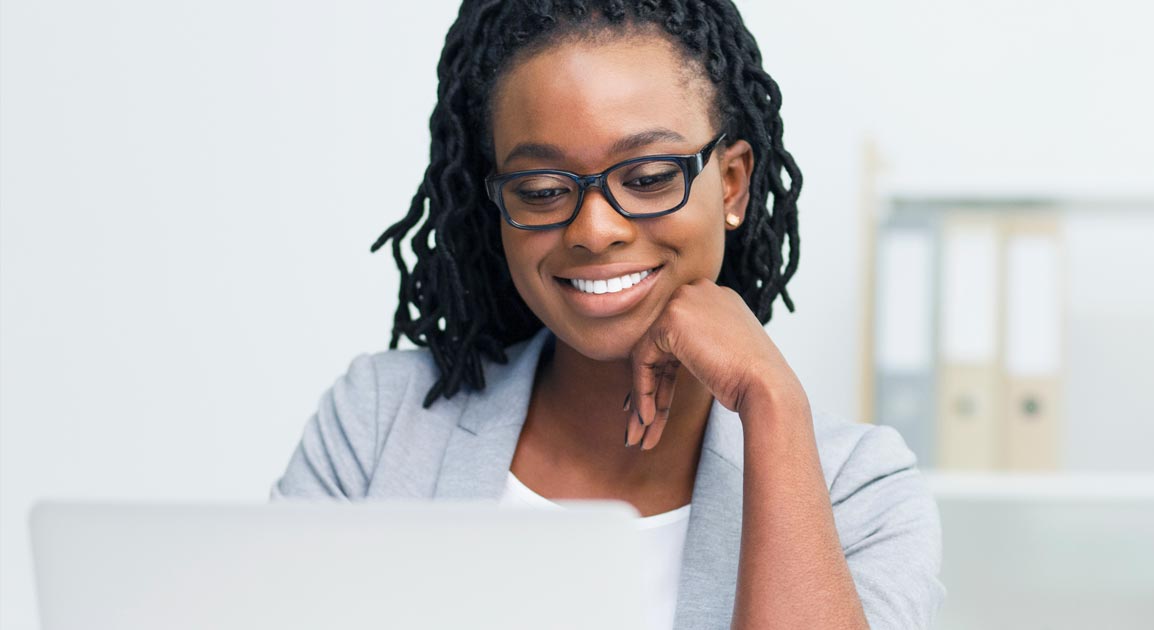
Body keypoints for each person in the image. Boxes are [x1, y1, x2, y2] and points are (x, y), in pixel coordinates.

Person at [271, 1, 945, 629]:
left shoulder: (860, 492)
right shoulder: (379, 423)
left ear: (733, 184)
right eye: (541, 190)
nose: (595, 228)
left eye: (648, 177)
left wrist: (770, 402)